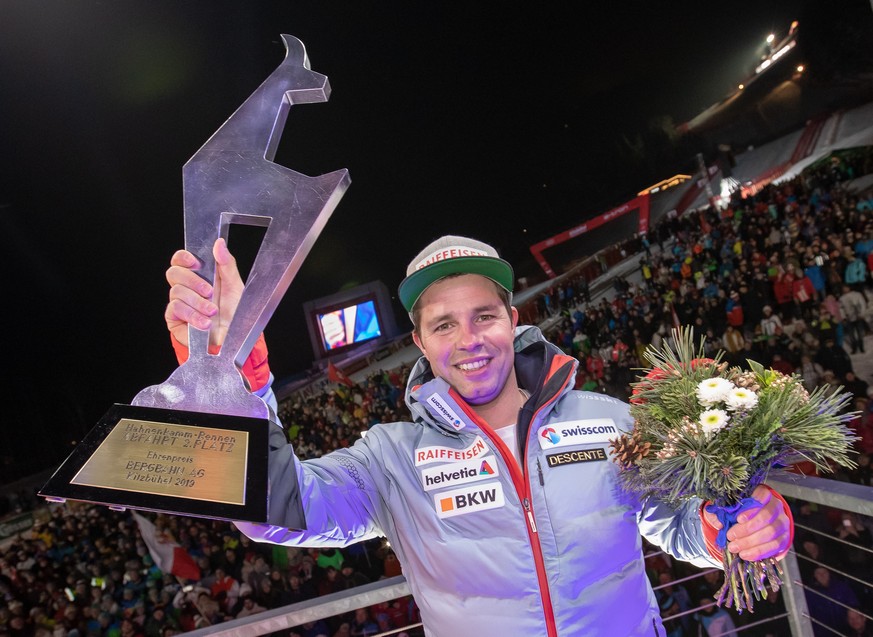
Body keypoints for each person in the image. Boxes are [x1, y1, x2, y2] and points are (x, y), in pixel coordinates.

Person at [164, 235, 793, 636]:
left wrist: (732, 527)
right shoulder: (390, 460)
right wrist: (234, 381)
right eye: (443, 325)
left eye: (484, 316)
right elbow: (278, 510)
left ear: (513, 321)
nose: (468, 341)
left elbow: (678, 524)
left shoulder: (608, 418)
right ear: (420, 343)